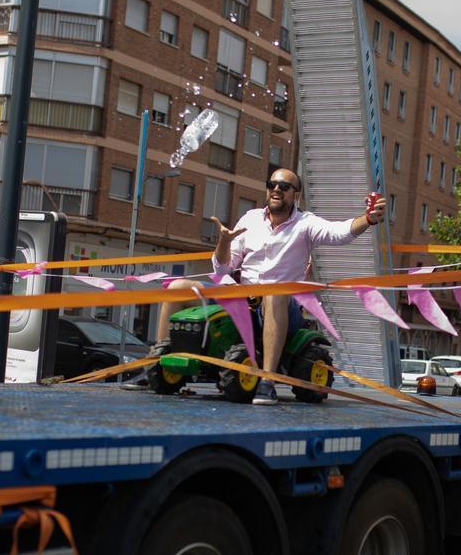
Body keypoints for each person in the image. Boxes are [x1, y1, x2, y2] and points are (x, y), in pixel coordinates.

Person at [156, 168, 387, 405]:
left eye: (284, 186)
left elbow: (339, 233)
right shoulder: (250, 218)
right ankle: (158, 365)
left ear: (295, 195)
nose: (276, 189)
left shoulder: (306, 223)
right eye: (272, 184)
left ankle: (267, 381)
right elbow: (223, 269)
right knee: (178, 286)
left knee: (274, 292)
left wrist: (368, 219)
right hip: (241, 299)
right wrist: (223, 243)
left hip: (283, 306)